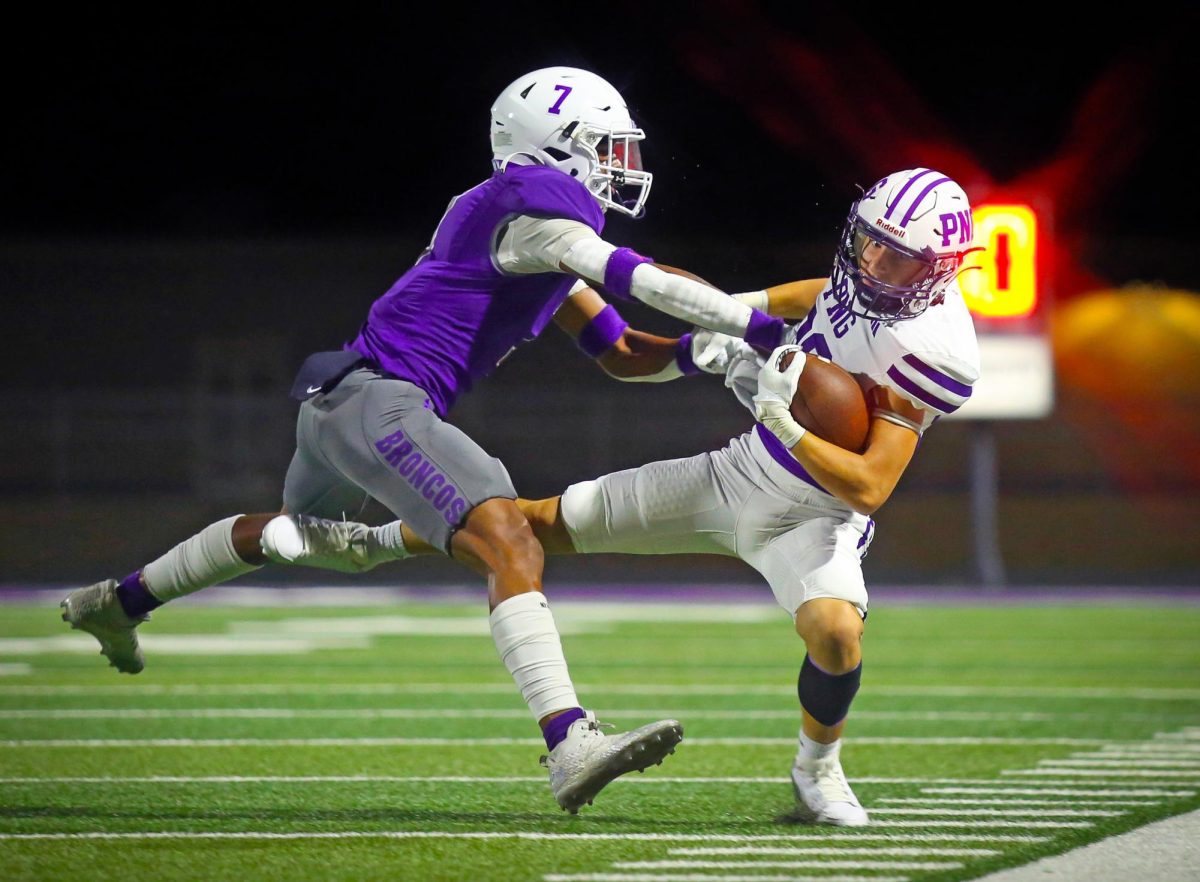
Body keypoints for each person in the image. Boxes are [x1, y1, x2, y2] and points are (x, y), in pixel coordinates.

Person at [59, 66, 791, 815]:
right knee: (509, 536)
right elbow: (641, 280)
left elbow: (625, 350)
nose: (621, 165)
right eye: (606, 147)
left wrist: (701, 353)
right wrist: (762, 326)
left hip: (342, 401)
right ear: (554, 148)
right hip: (378, 399)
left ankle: (120, 602)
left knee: (306, 539)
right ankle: (571, 740)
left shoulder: (536, 241)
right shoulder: (533, 214)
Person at [236, 168, 982, 826]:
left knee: (836, 634)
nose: (875, 261)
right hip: (731, 476)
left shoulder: (936, 348)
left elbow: (871, 484)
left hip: (816, 516)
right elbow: (748, 307)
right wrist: (731, 326)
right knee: (526, 528)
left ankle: (817, 770)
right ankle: (376, 543)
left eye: (900, 254)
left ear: (939, 269)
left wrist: (782, 415)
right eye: (871, 240)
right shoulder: (842, 286)